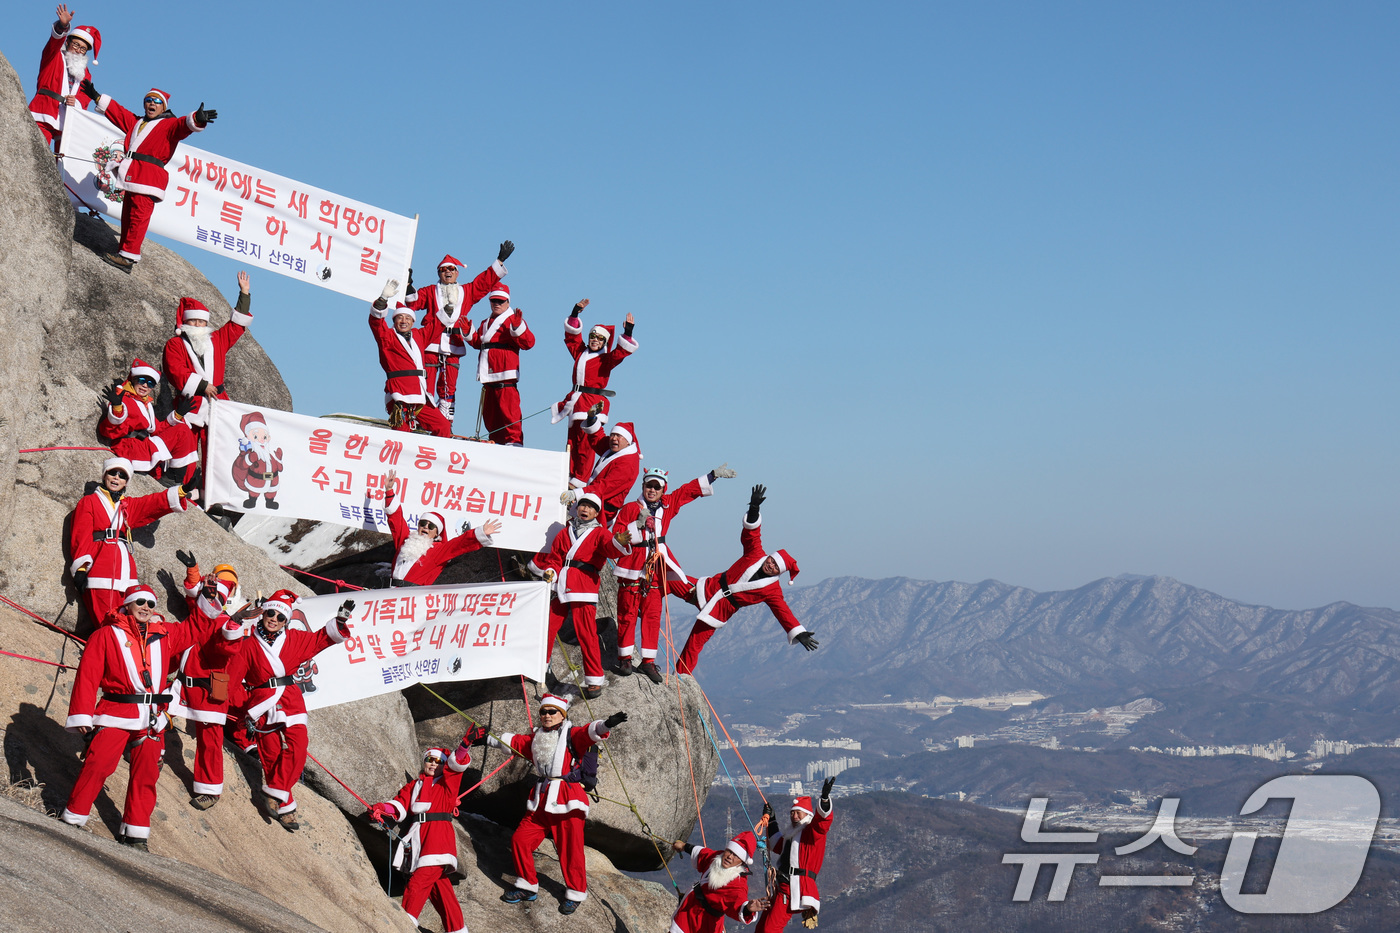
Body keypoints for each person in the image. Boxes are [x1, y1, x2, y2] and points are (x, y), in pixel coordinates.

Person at [61, 583, 218, 850]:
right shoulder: (106, 635)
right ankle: (73, 818)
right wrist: (82, 715)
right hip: (115, 713)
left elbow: (196, 627)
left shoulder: (165, 635)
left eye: (150, 604)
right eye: (140, 602)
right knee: (97, 766)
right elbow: (87, 677)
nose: (146, 607)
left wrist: (208, 597)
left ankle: (135, 833)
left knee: (146, 776)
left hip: (152, 718)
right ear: (128, 604)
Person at [474, 694, 627, 914]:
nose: (546, 715)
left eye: (552, 712)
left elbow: (588, 733)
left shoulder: (571, 735)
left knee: (570, 850)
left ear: (562, 715)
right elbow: (515, 742)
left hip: (567, 799)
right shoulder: (536, 738)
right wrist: (484, 739)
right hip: (541, 800)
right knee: (520, 840)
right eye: (543, 712)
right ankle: (527, 885)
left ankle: (575, 893)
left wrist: (607, 724)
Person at [224, 590, 355, 831]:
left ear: (286, 621)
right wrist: (218, 702)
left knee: (298, 746)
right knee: (271, 755)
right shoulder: (248, 644)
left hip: (290, 698)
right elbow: (232, 679)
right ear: (264, 613)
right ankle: (286, 806)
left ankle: (275, 792)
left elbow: (320, 639)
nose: (274, 619)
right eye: (270, 613)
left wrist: (339, 622)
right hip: (261, 702)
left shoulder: (295, 639)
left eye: (280, 617)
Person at [675, 485, 818, 675]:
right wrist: (754, 509)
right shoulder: (755, 554)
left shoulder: (772, 590)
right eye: (771, 561)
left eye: (775, 567)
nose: (770, 565)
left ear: (779, 573)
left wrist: (798, 632)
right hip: (707, 587)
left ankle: (681, 678)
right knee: (668, 578)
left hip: (721, 610)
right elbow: (752, 533)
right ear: (768, 557)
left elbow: (783, 612)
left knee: (694, 643)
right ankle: (642, 603)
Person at [611, 463, 735, 682]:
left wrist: (712, 475)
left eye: (656, 487)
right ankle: (625, 659)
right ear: (643, 486)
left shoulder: (667, 505)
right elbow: (617, 534)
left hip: (658, 564)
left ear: (663, 490)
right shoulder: (631, 508)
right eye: (649, 486)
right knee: (627, 612)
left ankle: (648, 661)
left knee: (652, 613)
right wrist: (635, 528)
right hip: (632, 565)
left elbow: (686, 492)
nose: (652, 490)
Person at [79, 79, 216, 272]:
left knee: (138, 217)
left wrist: (198, 118)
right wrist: (96, 96)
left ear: (163, 107)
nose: (151, 103)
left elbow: (184, 125)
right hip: (133, 175)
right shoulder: (138, 123)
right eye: (148, 100)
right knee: (127, 216)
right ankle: (123, 252)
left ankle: (128, 257)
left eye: (156, 101)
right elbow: (119, 113)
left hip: (149, 177)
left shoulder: (169, 124)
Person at [367, 727, 486, 933]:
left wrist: (464, 745)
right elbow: (400, 805)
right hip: (419, 840)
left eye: (438, 761)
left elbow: (456, 766)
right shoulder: (415, 785)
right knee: (441, 892)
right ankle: (457, 929)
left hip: (438, 839)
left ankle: (402, 926)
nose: (433, 764)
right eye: (429, 760)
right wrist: (381, 809)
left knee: (418, 883)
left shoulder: (448, 784)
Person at [168, 549, 258, 810]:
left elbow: (228, 650)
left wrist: (233, 625)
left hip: (209, 687)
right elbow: (193, 594)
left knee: (210, 736)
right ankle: (149, 754)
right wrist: (193, 570)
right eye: (217, 578)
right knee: (158, 711)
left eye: (223, 582)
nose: (219, 585)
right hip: (182, 680)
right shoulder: (205, 607)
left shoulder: (230, 620)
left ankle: (209, 788)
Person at [69, 457, 196, 629]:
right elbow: (81, 536)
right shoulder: (89, 502)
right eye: (112, 473)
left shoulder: (127, 506)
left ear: (126, 482)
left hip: (126, 570)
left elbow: (151, 503)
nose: (116, 478)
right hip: (101, 569)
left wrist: (181, 491)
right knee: (108, 623)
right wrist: (81, 569)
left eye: (122, 476)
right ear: (104, 475)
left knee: (131, 621)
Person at [526, 493, 632, 699]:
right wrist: (551, 571)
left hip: (584, 585)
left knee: (586, 633)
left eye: (591, 507)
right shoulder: (565, 532)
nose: (585, 509)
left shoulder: (600, 533)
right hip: (561, 584)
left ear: (596, 513)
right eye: (583, 505)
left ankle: (594, 678)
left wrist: (618, 543)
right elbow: (556, 557)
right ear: (577, 508)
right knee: (547, 626)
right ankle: (538, 667)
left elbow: (610, 549)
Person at [401, 243, 512, 422]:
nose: (448, 272)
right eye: (444, 269)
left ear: (457, 272)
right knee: (425, 384)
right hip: (432, 343)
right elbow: (413, 303)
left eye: (451, 269)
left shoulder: (466, 291)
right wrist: (408, 285)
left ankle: (445, 422)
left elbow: (483, 283)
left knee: (449, 387)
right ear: (439, 273)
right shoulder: (429, 291)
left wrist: (499, 261)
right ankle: (423, 420)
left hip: (454, 343)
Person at [549, 300, 638, 484]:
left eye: (599, 339)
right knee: (572, 441)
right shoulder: (581, 353)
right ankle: (569, 474)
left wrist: (628, 332)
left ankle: (580, 478)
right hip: (576, 401)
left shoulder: (606, 359)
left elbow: (621, 352)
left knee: (586, 442)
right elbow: (572, 338)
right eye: (592, 337)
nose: (594, 341)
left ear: (604, 342)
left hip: (592, 402)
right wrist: (575, 313)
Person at [161, 273, 254, 437]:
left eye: (201, 321)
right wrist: (203, 385)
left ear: (206, 323)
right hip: (190, 403)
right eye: (193, 321)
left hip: (217, 402)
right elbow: (176, 371)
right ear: (185, 322)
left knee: (217, 453)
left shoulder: (217, 340)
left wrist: (244, 293)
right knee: (185, 451)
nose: (197, 325)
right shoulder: (175, 344)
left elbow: (236, 325)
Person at [382, 468, 502, 585]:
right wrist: (389, 491)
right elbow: (396, 520)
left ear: (436, 534)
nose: (426, 527)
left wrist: (480, 533)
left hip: (413, 598)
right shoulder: (405, 540)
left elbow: (459, 543)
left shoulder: (438, 550)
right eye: (423, 524)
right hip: (391, 593)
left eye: (431, 526)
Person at [369, 279, 452, 437]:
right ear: (394, 321)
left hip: (420, 396)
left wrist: (449, 307)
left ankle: (434, 458)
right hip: (399, 395)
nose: (404, 321)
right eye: (399, 318)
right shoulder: (387, 337)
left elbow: (436, 325)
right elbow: (376, 322)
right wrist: (382, 300)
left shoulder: (419, 336)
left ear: (413, 321)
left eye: (407, 318)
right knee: (402, 436)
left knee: (443, 426)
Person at [97, 359, 200, 485]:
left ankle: (176, 480)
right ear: (133, 380)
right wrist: (117, 408)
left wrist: (177, 414)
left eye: (150, 383)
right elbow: (109, 431)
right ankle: (173, 479)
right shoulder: (124, 398)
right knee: (181, 431)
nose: (145, 385)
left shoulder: (145, 404)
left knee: (182, 429)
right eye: (142, 381)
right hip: (129, 447)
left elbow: (157, 429)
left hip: (144, 445)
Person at [756, 780, 836, 933]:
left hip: (793, 887)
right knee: (762, 928)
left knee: (770, 929)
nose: (794, 816)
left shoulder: (811, 832)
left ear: (808, 815)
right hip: (782, 885)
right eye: (792, 812)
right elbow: (776, 844)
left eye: (798, 812)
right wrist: (771, 819)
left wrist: (824, 800)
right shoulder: (792, 835)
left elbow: (822, 822)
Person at [465, 281, 535, 445]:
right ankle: (495, 442)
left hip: (505, 376)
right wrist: (469, 333)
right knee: (490, 417)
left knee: (509, 414)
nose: (497, 304)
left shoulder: (513, 320)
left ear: (508, 302)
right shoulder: (485, 323)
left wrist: (518, 328)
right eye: (493, 301)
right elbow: (479, 344)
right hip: (488, 377)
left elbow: (529, 343)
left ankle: (515, 443)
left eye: (500, 301)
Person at [29, 5, 101, 149]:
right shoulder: (53, 56)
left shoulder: (85, 73)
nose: (78, 50)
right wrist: (63, 26)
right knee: (34, 153)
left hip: (67, 119)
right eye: (75, 44)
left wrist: (77, 102)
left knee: (63, 163)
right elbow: (54, 42)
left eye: (83, 48)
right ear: (67, 42)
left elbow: (85, 96)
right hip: (44, 112)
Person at [670, 831, 768, 933]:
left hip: (705, 922)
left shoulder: (737, 884)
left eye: (736, 856)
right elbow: (702, 853)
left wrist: (748, 909)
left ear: (742, 862)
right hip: (688, 911)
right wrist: (684, 846)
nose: (730, 857)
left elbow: (738, 902)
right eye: (730, 851)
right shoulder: (717, 858)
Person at [562, 418, 640, 522]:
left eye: (618, 436)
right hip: (591, 499)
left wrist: (577, 493)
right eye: (612, 434)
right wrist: (591, 420)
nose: (613, 438)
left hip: (602, 511)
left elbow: (606, 486)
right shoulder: (614, 449)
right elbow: (598, 440)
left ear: (627, 441)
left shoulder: (628, 463)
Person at [229, 410, 283, 510]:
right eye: (256, 436)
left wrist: (279, 458)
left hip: (272, 479)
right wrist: (250, 458)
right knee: (254, 489)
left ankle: (270, 502)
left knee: (271, 491)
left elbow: (279, 467)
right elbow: (242, 464)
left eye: (264, 436)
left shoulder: (271, 452)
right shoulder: (252, 451)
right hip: (256, 478)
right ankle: (252, 500)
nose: (261, 440)